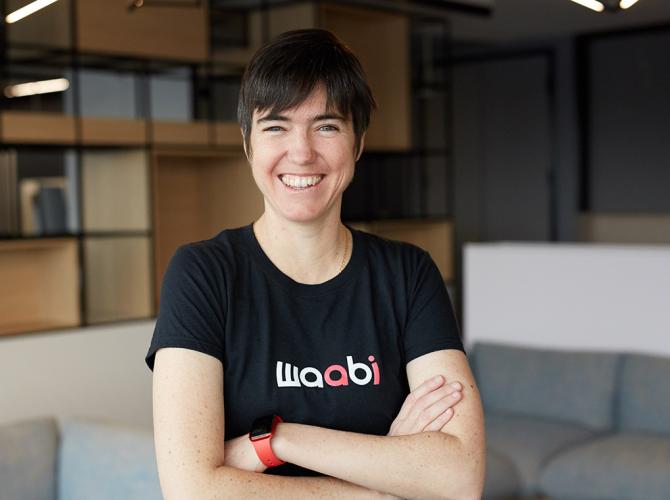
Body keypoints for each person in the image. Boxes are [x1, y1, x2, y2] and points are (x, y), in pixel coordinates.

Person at [145, 28, 485, 499]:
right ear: (248, 144)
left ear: (357, 143)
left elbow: (460, 477)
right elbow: (191, 491)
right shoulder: (204, 274)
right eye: (276, 127)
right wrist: (392, 484)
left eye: (326, 126)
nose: (301, 152)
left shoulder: (408, 275)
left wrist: (277, 442)